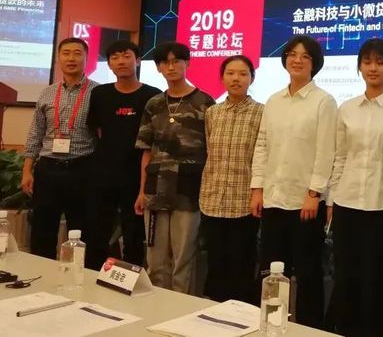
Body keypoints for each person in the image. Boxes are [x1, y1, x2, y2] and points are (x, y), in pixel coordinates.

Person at [250, 34, 337, 329]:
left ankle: (310, 329)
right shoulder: (274, 100)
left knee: (308, 271)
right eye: (292, 54)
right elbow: (262, 145)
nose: (297, 60)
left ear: (315, 64)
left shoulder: (323, 101)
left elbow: (326, 151)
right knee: (272, 271)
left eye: (305, 56)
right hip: (274, 198)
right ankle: (272, 326)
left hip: (305, 203)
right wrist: (257, 189)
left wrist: (314, 193)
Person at [327, 38, 383, 337]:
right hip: (347, 204)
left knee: (379, 277)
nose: (373, 68)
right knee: (347, 275)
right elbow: (340, 156)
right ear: (359, 66)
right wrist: (330, 201)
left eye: (380, 62)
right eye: (367, 61)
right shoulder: (347, 108)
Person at [134, 42, 215, 294]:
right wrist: (142, 191)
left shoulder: (205, 102)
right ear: (159, 68)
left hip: (189, 191)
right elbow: (146, 150)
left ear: (187, 63)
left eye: (176, 61)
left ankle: (180, 310)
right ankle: (157, 307)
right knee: (156, 261)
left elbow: (213, 150)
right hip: (156, 190)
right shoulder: (154, 104)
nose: (171, 67)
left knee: (183, 260)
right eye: (164, 62)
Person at [85, 40, 161, 270]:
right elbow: (97, 130)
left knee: (134, 234)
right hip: (103, 173)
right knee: (97, 232)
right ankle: (92, 275)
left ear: (137, 60)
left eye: (126, 56)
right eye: (115, 58)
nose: (121, 62)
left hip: (136, 175)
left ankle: (130, 279)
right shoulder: (100, 94)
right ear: (109, 64)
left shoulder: (153, 95)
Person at [21, 37, 97, 259]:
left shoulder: (98, 92)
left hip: (83, 168)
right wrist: (27, 169)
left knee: (81, 229)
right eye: (66, 53)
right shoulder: (47, 92)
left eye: (77, 53)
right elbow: (36, 132)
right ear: (58, 58)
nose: (71, 58)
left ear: (86, 58)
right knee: (42, 228)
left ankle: (78, 274)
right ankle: (41, 273)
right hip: (48, 169)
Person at [200, 55, 263, 303]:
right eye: (230, 73)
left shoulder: (262, 113)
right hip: (212, 199)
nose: (236, 78)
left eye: (243, 74)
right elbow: (209, 151)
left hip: (243, 202)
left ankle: (240, 314)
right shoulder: (212, 113)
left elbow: (263, 156)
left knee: (241, 263)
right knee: (215, 263)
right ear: (222, 78)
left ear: (252, 79)